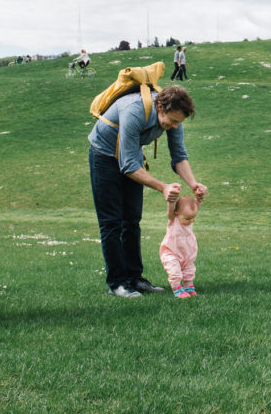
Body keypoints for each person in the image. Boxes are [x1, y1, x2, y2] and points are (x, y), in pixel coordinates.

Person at [87, 85, 207, 298]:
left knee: (132, 219)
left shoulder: (173, 119)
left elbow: (178, 155)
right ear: (160, 106)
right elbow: (128, 165)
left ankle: (135, 278)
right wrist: (163, 187)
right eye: (172, 121)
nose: (174, 126)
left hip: (131, 157)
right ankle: (117, 283)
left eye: (179, 122)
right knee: (111, 222)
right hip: (103, 156)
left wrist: (193, 184)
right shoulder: (134, 110)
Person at [159, 195, 200, 298]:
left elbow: (195, 208)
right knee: (175, 271)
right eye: (188, 219)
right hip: (171, 253)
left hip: (187, 254)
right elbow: (170, 212)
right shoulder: (174, 220)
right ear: (177, 214)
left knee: (189, 270)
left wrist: (199, 199)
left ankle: (188, 287)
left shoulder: (188, 219)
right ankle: (177, 289)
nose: (191, 221)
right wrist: (171, 202)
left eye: (193, 218)